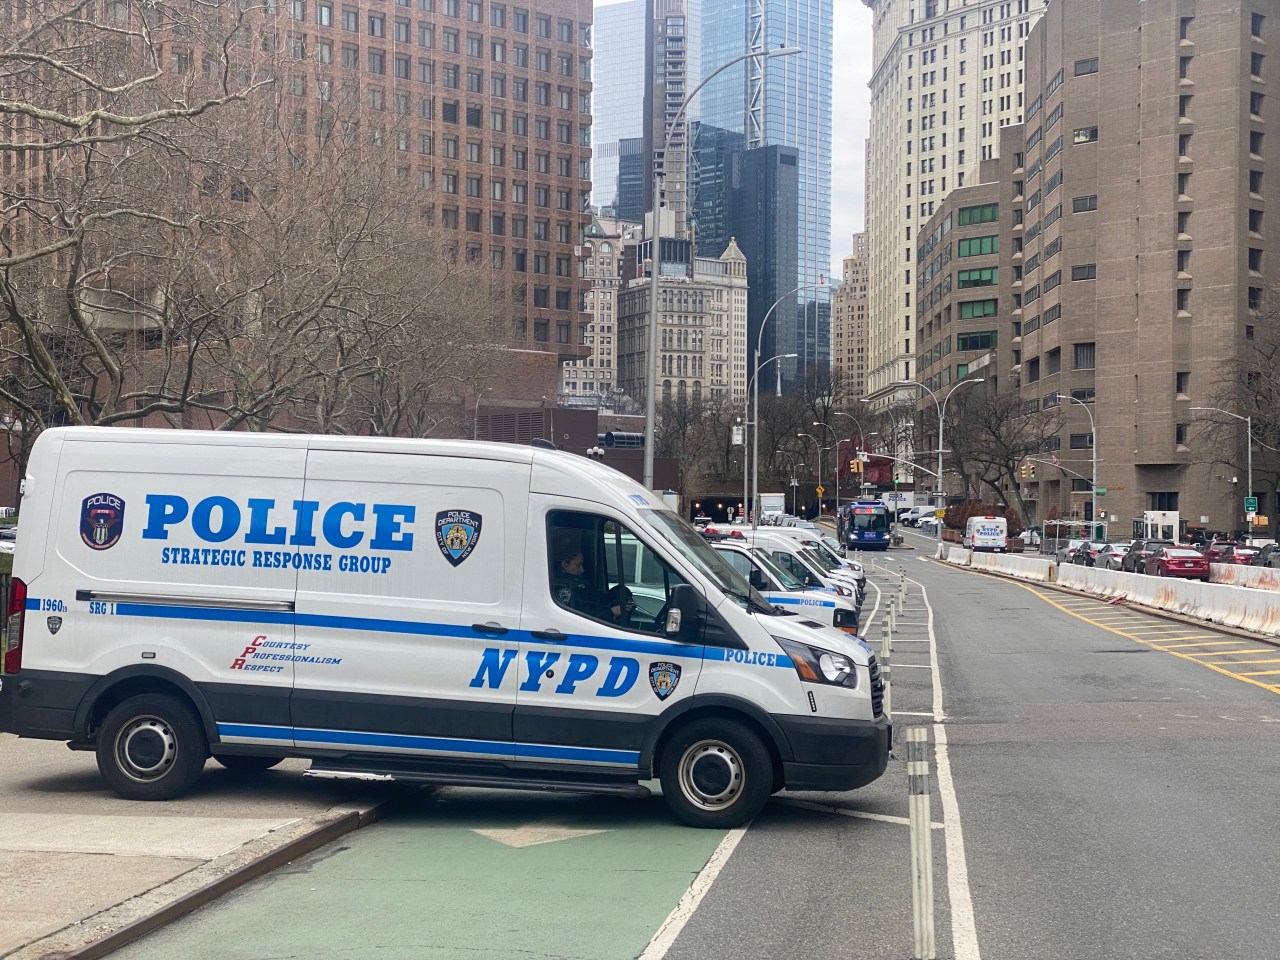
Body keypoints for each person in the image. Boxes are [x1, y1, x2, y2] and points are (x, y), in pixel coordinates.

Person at [551, 535, 630, 623]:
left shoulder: (578, 582)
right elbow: (578, 613)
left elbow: (595, 599)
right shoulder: (562, 587)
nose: (582, 570)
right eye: (578, 565)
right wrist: (610, 612)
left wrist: (618, 593)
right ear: (565, 564)